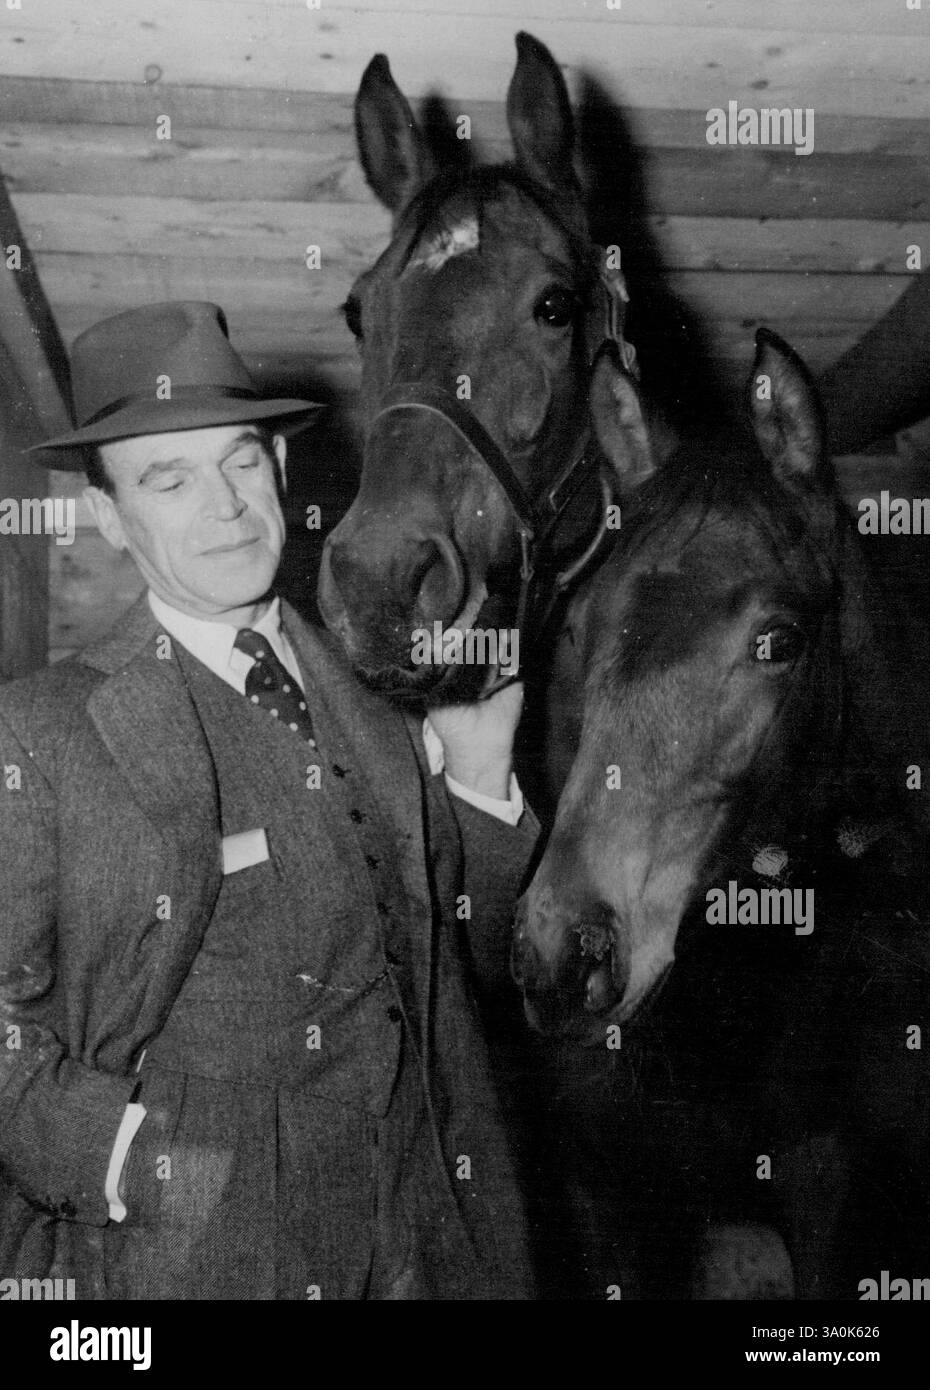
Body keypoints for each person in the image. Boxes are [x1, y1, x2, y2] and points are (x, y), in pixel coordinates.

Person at [0, 301, 538, 1300]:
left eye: (242, 460)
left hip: (436, 1239)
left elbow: (460, 966)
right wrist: (130, 1157)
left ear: (281, 472)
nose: (226, 505)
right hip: (209, 1261)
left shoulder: (372, 693)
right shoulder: (42, 733)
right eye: (171, 476)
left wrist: (476, 781)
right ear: (113, 519)